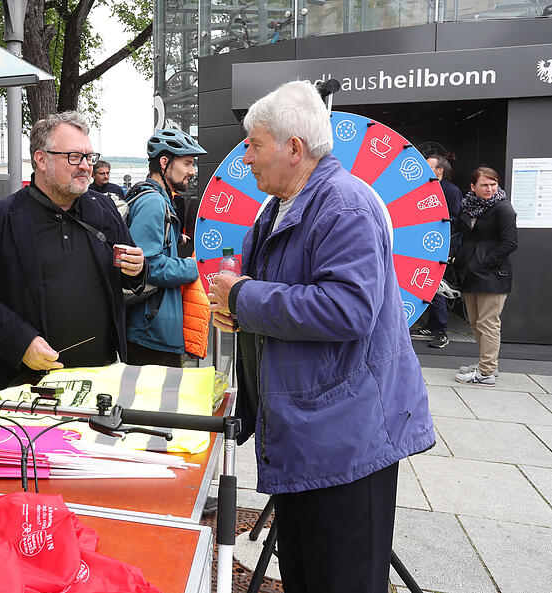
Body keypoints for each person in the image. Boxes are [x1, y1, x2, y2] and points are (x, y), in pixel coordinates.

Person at [207, 81, 435, 593]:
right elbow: (289, 299)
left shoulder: (344, 205)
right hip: (311, 435)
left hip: (346, 440)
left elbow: (348, 310)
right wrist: (242, 314)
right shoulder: (282, 207)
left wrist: (244, 298)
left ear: (294, 148)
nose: (246, 157)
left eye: (254, 144)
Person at [0, 111, 146, 391]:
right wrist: (21, 342)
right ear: (41, 159)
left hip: (102, 378)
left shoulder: (104, 208)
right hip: (25, 384)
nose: (86, 166)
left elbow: (128, 271)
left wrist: (137, 269)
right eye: (74, 157)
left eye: (89, 157)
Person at [125, 129, 204, 367]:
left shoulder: (158, 199)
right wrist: (196, 267)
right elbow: (148, 266)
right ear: (164, 162)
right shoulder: (153, 203)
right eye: (187, 163)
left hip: (153, 327)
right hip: (151, 332)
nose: (192, 171)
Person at [453, 166, 517, 386]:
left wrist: (485, 263)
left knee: (488, 323)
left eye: (493, 184)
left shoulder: (503, 208)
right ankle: (486, 363)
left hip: (492, 275)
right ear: (473, 187)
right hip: (470, 273)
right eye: (484, 185)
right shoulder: (468, 206)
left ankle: (486, 372)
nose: (490, 189)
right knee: (475, 323)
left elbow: (510, 242)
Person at [420, 154, 463, 348]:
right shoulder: (422, 187)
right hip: (423, 243)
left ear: (440, 170)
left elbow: (455, 222)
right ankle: (432, 325)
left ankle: (441, 331)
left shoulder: (451, 191)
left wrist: (451, 250)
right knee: (426, 283)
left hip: (441, 246)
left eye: (428, 165)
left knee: (435, 286)